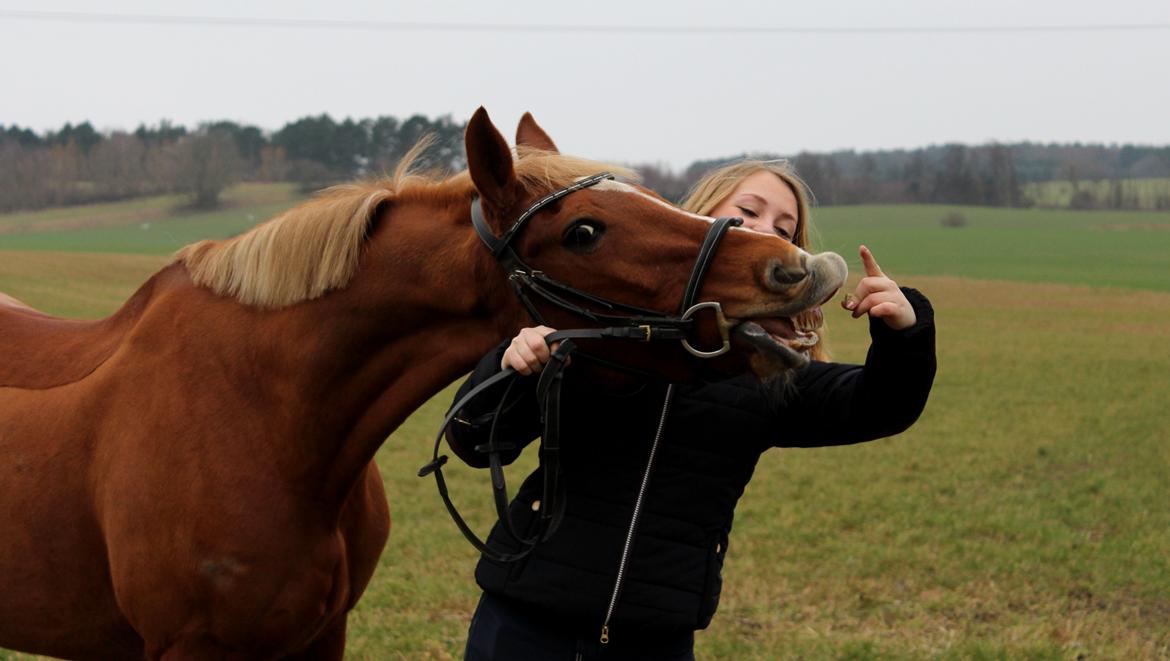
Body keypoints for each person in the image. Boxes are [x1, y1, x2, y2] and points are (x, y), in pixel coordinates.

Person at [446, 160, 936, 660]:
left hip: (655, 638)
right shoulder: (602, 325)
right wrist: (514, 365)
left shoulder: (769, 376)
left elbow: (881, 404)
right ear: (701, 216)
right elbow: (474, 439)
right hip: (525, 623)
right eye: (748, 210)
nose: (765, 230)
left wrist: (905, 333)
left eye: (784, 229)